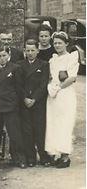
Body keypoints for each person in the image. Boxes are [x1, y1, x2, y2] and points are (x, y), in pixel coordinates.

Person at [0, 47, 27, 168]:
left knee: (15, 133)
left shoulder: (15, 68)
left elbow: (19, 88)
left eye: (4, 55)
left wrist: (17, 103)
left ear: (9, 55)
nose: (2, 59)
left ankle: (19, 159)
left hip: (10, 105)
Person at [45, 31, 79, 168]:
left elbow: (72, 78)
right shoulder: (52, 60)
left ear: (66, 43)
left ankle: (65, 156)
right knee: (53, 123)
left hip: (65, 93)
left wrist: (58, 88)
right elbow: (50, 77)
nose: (57, 45)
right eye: (55, 43)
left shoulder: (71, 57)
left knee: (65, 123)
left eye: (60, 43)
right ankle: (55, 153)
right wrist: (51, 88)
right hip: (53, 95)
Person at [16, 39, 50, 167]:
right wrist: (25, 98)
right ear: (24, 51)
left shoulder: (44, 64)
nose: (30, 53)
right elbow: (18, 84)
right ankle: (30, 157)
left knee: (40, 130)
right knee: (27, 131)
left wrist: (34, 99)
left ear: (37, 51)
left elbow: (43, 84)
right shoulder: (19, 65)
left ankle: (43, 156)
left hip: (38, 102)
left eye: (32, 50)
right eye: (27, 50)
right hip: (24, 103)